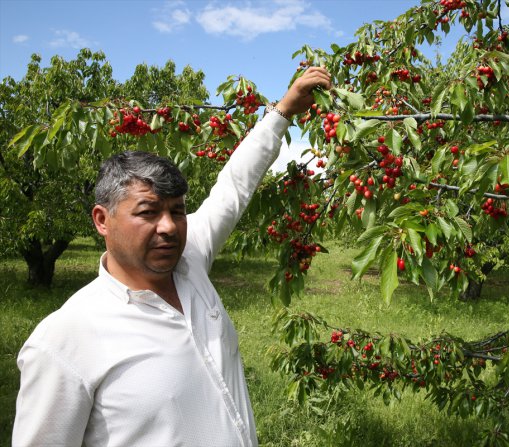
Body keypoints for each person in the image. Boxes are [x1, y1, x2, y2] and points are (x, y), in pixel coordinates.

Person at [12, 66, 332, 447]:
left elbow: (233, 188)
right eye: (148, 212)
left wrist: (282, 111)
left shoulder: (189, 260)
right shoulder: (64, 341)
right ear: (102, 220)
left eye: (177, 211)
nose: (169, 227)